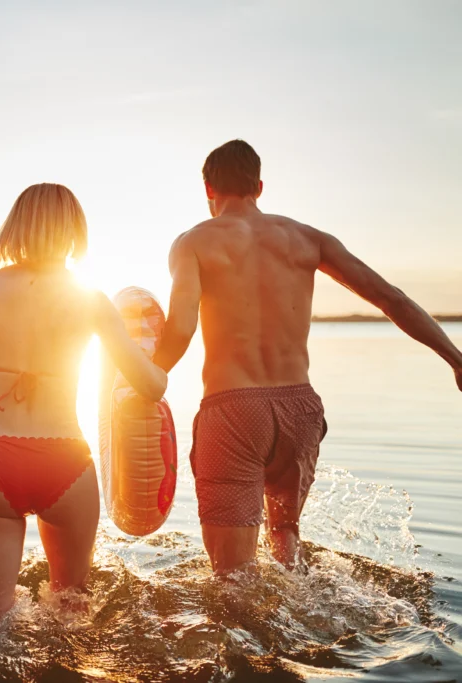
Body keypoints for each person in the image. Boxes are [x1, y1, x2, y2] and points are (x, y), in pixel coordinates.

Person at [155, 140, 462, 575]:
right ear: (259, 186)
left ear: (208, 189)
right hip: (299, 412)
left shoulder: (193, 243)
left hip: (234, 413)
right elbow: (392, 299)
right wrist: (455, 358)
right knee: (285, 539)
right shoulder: (309, 239)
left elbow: (181, 329)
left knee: (232, 577)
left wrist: (142, 382)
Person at [0, 184, 168, 621]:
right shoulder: (90, 299)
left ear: (16, 226)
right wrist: (160, 367)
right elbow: (151, 387)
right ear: (74, 231)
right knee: (71, 611)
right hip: (66, 462)